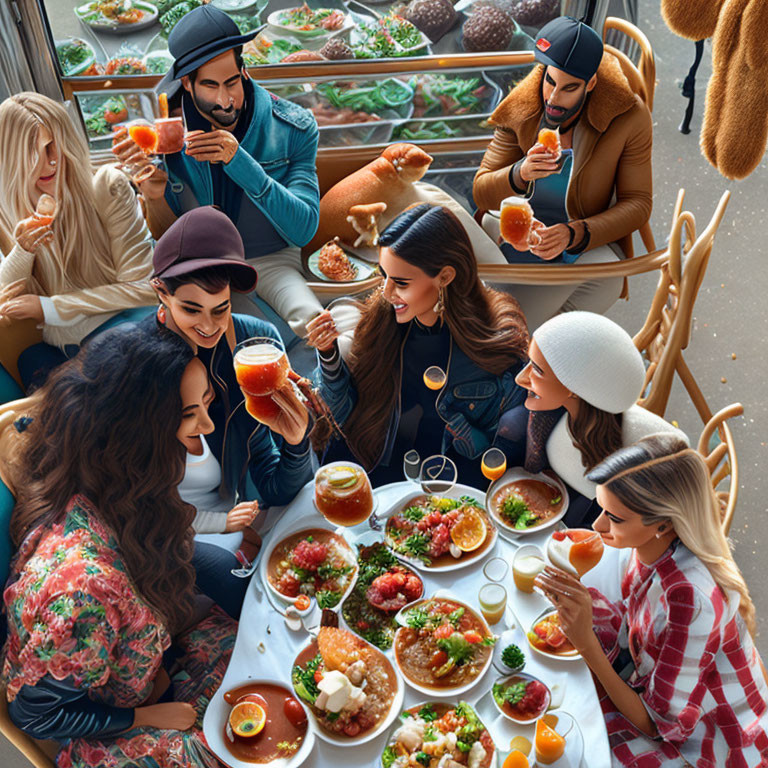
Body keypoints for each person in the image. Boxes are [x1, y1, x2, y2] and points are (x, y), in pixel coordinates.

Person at [1, 325, 236, 768]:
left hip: (150, 666)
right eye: (190, 415)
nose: (206, 426)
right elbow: (37, 714)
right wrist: (144, 716)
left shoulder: (113, 485)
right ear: (138, 436)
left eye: (205, 403)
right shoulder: (81, 592)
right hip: (110, 723)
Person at [536, 434, 768, 766]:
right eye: (602, 509)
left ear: (662, 524)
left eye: (614, 518)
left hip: (709, 741)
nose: (597, 525)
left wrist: (586, 643)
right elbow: (636, 624)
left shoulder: (691, 601)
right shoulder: (650, 546)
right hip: (650, 681)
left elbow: (659, 726)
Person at [112, 5, 323, 337]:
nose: (225, 100)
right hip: (201, 264)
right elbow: (168, 237)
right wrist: (153, 196)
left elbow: (303, 230)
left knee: (315, 322)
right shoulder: (166, 137)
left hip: (272, 258)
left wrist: (240, 162)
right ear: (187, 83)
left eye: (232, 82)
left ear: (245, 70)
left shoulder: (293, 126)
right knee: (232, 341)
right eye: (210, 86)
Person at [307, 203, 529, 487]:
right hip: (378, 475)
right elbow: (343, 417)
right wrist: (328, 355)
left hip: (455, 487)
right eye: (384, 275)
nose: (386, 293)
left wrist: (474, 441)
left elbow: (506, 450)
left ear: (445, 277)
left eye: (400, 282)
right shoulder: (382, 323)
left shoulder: (497, 341)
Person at [473, 16, 653, 330]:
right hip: (510, 233)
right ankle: (522, 343)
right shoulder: (521, 108)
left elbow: (638, 203)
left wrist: (573, 233)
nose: (554, 99)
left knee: (608, 279)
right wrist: (520, 173)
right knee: (502, 326)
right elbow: (481, 191)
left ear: (591, 84)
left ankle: (528, 346)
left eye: (570, 88)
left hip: (579, 241)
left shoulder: (628, 117)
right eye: (550, 82)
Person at [147, 206, 313, 510]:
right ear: (161, 292)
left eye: (220, 309)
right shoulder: (139, 360)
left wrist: (297, 444)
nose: (209, 327)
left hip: (235, 516)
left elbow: (274, 488)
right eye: (190, 309)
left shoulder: (257, 344)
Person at [0, 92, 155, 390]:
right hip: (66, 350)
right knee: (30, 363)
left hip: (126, 327)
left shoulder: (106, 186)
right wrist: (23, 250)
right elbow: (6, 298)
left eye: (56, 144)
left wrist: (50, 308)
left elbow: (144, 289)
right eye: (36, 151)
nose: (53, 161)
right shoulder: (8, 218)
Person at [497, 312, 686, 526]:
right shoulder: (543, 424)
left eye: (538, 371)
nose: (520, 379)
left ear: (576, 388)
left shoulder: (627, 466)